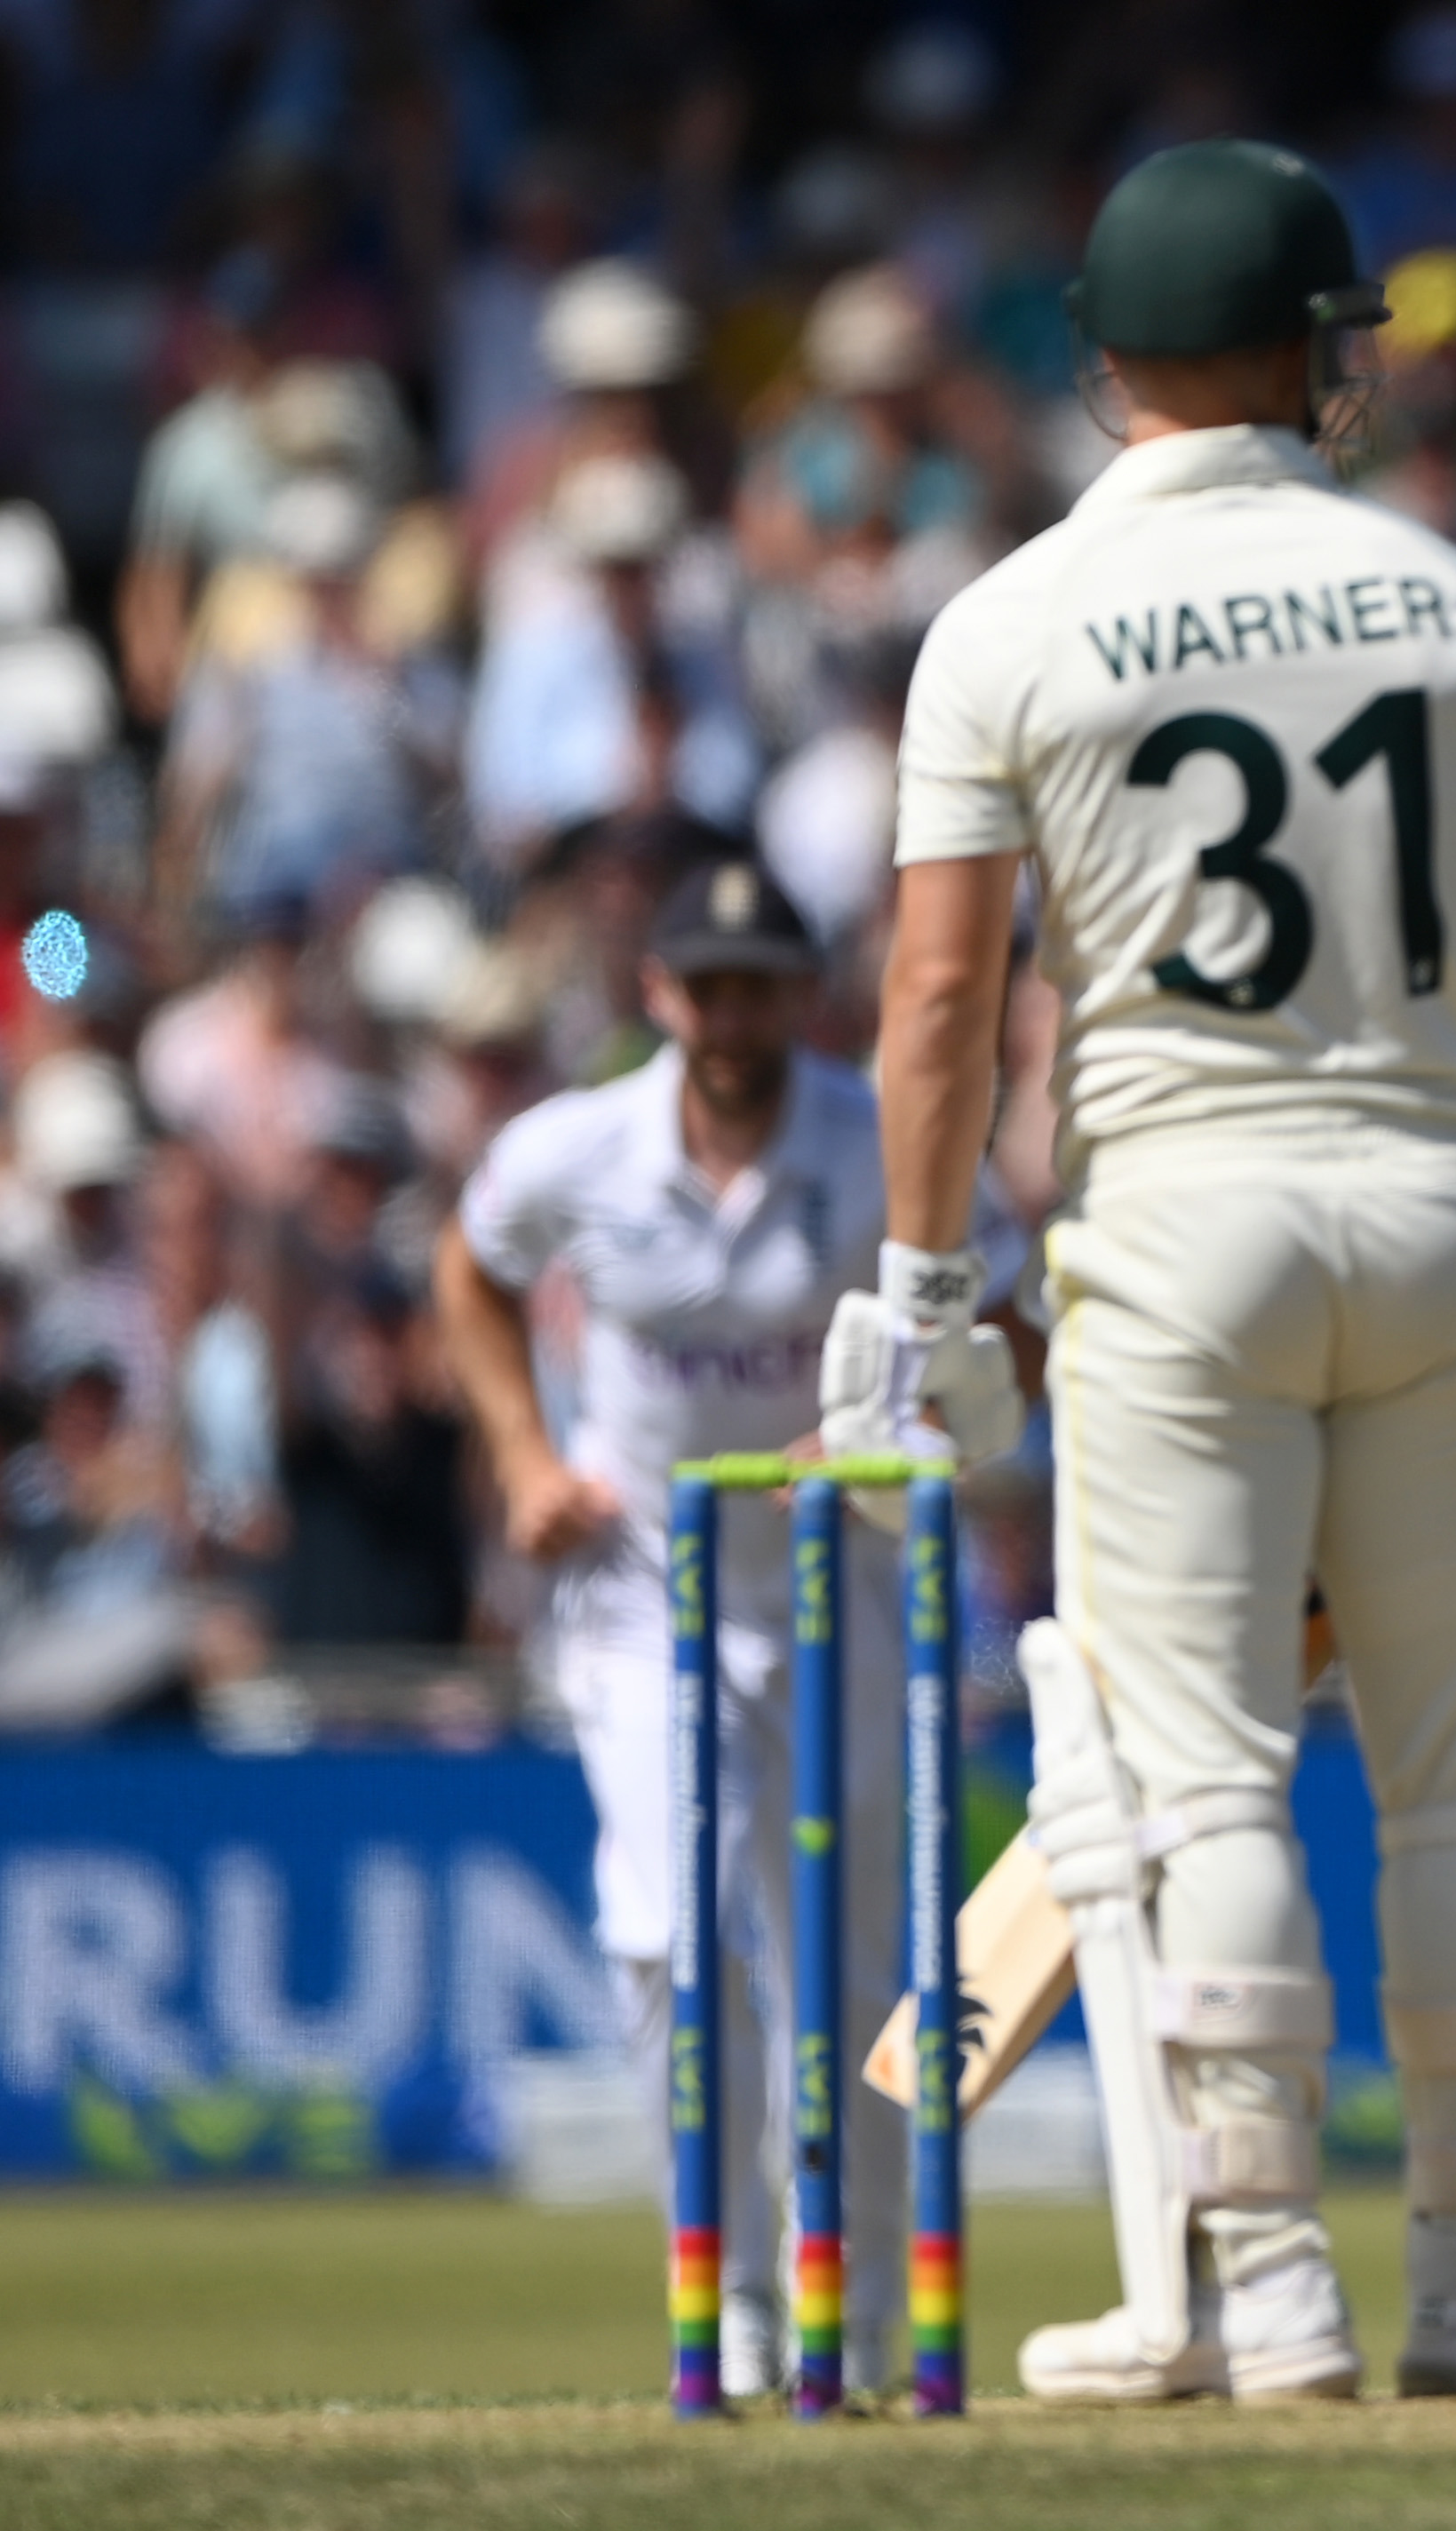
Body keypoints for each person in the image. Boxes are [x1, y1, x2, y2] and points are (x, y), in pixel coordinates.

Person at [840, 139, 1456, 2404]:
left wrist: (918, 1295)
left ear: (1097, 366)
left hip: (1183, 1227)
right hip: (1449, 1198)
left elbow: (938, 1012)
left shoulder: (1006, 623)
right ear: (1320, 355)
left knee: (1192, 1786)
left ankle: (1251, 2292)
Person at [433, 857, 1025, 2405]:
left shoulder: (878, 1133)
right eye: (709, 985)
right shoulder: (579, 1147)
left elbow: (1007, 1319)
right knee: (667, 1938)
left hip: (851, 1596)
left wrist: (897, 1422)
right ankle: (740, 2298)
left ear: (799, 995)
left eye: (761, 983)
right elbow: (469, 1268)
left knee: (864, 1982)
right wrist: (521, 1455)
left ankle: (881, 2316)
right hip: (650, 1599)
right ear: (659, 993)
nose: (734, 1015)